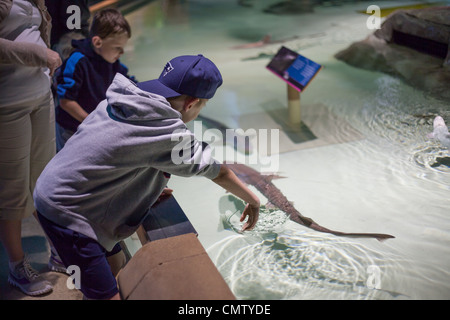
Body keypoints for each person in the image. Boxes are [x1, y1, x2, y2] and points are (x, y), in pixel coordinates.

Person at [34, 54, 260, 300]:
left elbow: (116, 154)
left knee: (117, 265)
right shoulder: (164, 132)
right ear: (191, 103)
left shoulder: (126, 99)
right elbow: (218, 171)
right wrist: (253, 200)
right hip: (68, 213)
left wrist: (146, 188)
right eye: (203, 106)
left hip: (55, 186)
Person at [0, 0, 62, 296]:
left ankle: (58, 252)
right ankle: (17, 266)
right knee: (12, 188)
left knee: (45, 181)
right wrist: (37, 53)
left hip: (40, 97)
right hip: (7, 104)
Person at [55, 8, 134, 151]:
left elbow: (129, 83)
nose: (122, 53)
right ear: (98, 42)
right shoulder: (78, 61)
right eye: (117, 48)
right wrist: (92, 122)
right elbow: (66, 101)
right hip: (72, 129)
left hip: (94, 128)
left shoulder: (112, 61)